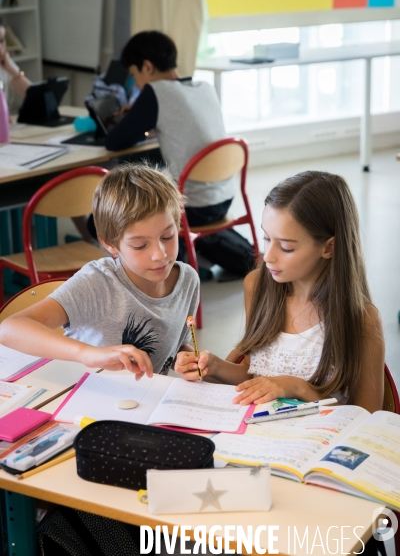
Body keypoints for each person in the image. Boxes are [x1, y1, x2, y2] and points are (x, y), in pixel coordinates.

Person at [175, 170, 385, 414]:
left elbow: (368, 416)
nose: (268, 256)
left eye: (286, 248)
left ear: (329, 247)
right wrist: (214, 367)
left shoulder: (361, 319)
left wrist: (299, 388)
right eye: (266, 238)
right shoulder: (257, 287)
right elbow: (256, 375)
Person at [0, 164, 199, 377]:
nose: (160, 254)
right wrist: (87, 353)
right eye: (140, 245)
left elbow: (177, 342)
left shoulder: (187, 280)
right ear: (110, 244)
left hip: (143, 399)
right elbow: (9, 328)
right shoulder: (98, 282)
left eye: (167, 237)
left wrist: (185, 358)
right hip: (86, 396)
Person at [105, 30, 235, 227]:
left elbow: (113, 142)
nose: (137, 85)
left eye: (134, 75)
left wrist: (136, 115)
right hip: (224, 198)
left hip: (191, 207)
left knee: (108, 216)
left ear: (147, 67)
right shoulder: (204, 87)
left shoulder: (156, 93)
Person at [0, 24, 31, 108]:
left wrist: (13, 71)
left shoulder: (4, 62)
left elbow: (33, 96)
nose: (0, 48)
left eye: (2, 40)